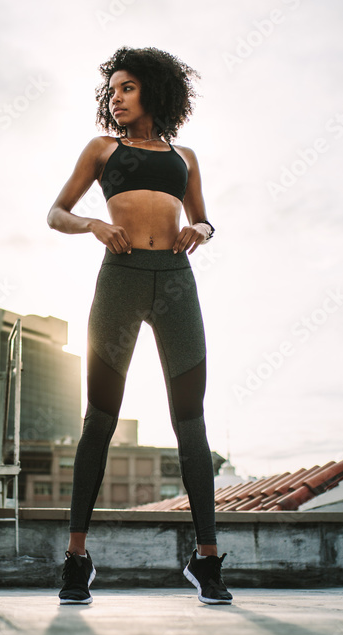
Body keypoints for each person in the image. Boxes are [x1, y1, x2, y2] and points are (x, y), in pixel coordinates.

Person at [46, 46, 232, 605]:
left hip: (175, 282)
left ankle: (206, 561)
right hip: (121, 278)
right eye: (113, 90)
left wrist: (201, 230)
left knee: (191, 421)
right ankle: (77, 560)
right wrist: (95, 226)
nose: (116, 98)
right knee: (99, 419)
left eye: (127, 88)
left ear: (154, 89)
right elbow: (55, 212)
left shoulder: (186, 156)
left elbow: (202, 217)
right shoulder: (103, 149)